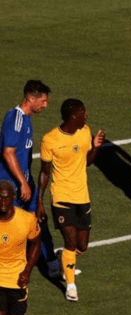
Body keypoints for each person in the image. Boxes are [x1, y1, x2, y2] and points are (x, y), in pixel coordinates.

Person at [36, 99, 105, 302]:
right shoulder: (50, 139)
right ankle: (71, 286)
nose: (86, 116)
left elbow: (87, 162)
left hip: (82, 196)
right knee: (70, 241)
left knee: (81, 246)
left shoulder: (85, 131)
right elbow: (44, 172)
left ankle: (65, 258)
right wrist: (40, 201)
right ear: (73, 116)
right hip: (61, 197)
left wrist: (96, 147)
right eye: (83, 113)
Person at [0, 80, 61, 277]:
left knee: (38, 220)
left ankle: (52, 263)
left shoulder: (26, 119)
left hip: (25, 183)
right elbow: (8, 152)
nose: (46, 105)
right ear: (31, 98)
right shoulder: (15, 118)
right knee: (9, 227)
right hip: (11, 187)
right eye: (43, 101)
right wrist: (22, 183)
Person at [0, 180, 42, 315]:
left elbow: (36, 243)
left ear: (13, 198)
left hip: (17, 282)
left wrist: (27, 271)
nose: (3, 201)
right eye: (0, 197)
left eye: (6, 197)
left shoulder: (26, 220)